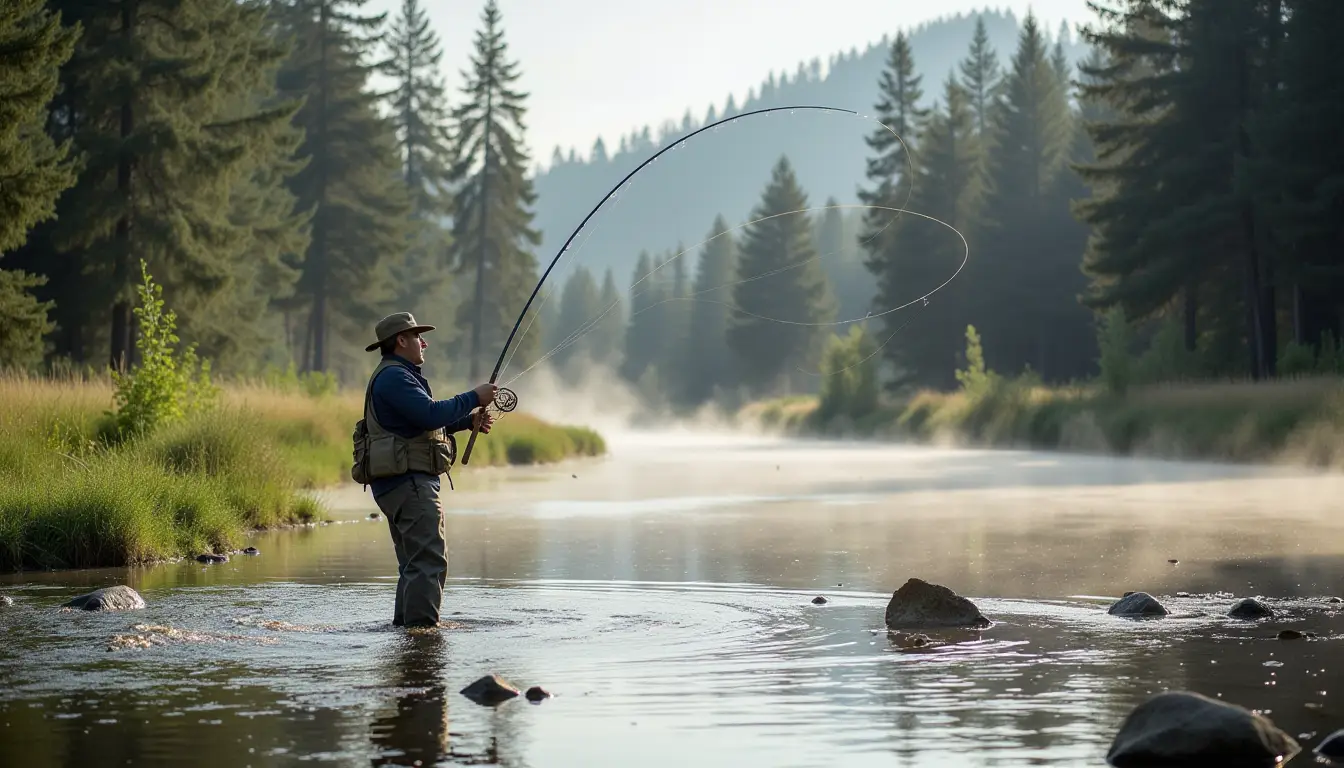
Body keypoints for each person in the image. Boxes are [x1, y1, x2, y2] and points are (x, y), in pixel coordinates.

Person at [361, 311, 497, 628]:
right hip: (409, 485)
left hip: (400, 484)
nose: (425, 343)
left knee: (413, 564)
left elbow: (414, 423)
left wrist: (467, 421)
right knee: (428, 561)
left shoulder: (395, 375)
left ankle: (407, 636)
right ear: (401, 340)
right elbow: (428, 414)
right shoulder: (395, 377)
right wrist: (474, 397)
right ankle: (422, 640)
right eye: (418, 337)